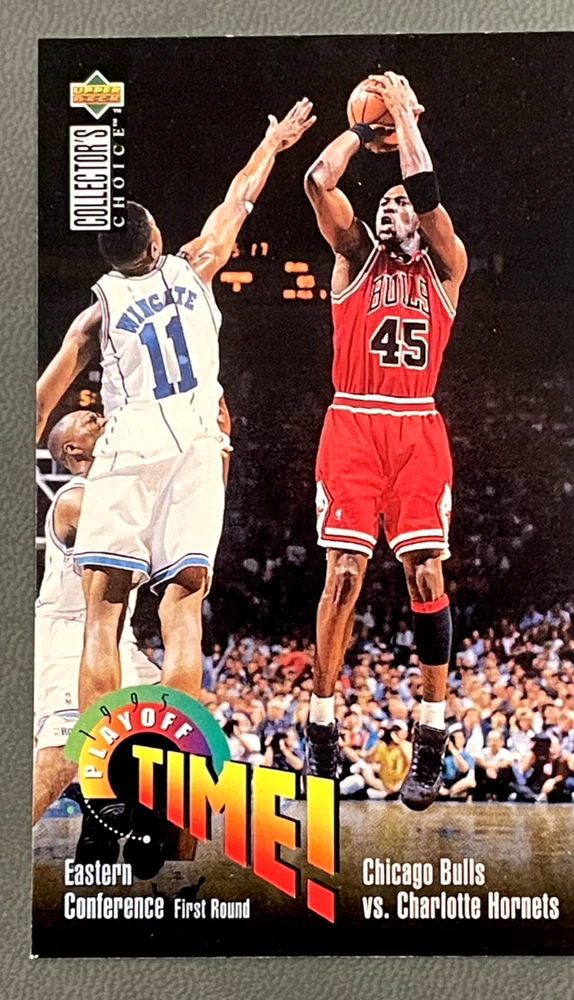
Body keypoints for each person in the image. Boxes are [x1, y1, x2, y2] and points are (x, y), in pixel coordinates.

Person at [36, 100, 315, 715]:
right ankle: (175, 756)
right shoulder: (196, 266)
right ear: (157, 240)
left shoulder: (96, 314)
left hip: (131, 444)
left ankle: (99, 751)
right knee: (183, 609)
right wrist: (272, 144)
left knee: (104, 611)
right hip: (197, 442)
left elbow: (39, 400)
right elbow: (239, 198)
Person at [303, 71, 468, 810]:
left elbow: (426, 193)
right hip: (353, 421)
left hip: (416, 424)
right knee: (342, 574)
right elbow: (318, 179)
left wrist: (404, 117)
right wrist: (363, 130)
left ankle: (431, 731)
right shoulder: (353, 257)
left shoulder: (448, 265)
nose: (391, 206)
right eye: (384, 203)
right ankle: (321, 723)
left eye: (399, 202)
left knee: (425, 577)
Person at [33, 412, 160, 861]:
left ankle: (99, 827)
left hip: (114, 637)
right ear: (73, 449)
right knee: (62, 754)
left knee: (171, 722)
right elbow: (148, 533)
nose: (103, 418)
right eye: (90, 419)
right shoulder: (76, 498)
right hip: (71, 633)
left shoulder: (115, 490)